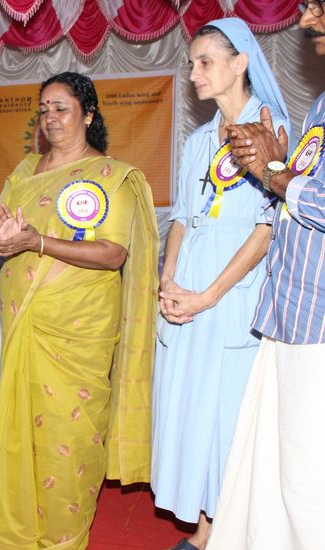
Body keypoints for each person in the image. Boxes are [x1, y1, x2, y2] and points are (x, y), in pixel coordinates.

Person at [0, 72, 159, 549]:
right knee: (24, 431)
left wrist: (36, 241)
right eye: (44, 110)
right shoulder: (25, 168)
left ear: (88, 115)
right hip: (24, 318)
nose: (50, 118)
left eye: (61, 108)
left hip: (78, 328)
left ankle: (62, 538)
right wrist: (3, 237)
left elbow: (113, 253)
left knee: (69, 434)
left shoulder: (111, 176)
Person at [150, 18, 291, 550]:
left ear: (241, 63)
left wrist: (208, 295)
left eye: (205, 62)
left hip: (236, 291)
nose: (194, 74)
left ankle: (230, 531)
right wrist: (169, 280)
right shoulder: (198, 140)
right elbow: (182, 218)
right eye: (191, 64)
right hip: (188, 286)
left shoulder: (275, 130)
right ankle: (206, 527)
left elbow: (268, 228)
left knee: (230, 413)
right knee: (194, 412)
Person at [207, 3, 325, 548]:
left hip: (316, 320)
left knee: (305, 475)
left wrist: (275, 174)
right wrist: (276, 168)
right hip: (290, 309)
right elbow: (298, 193)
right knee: (276, 466)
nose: (305, 21)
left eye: (316, 6)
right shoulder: (320, 104)